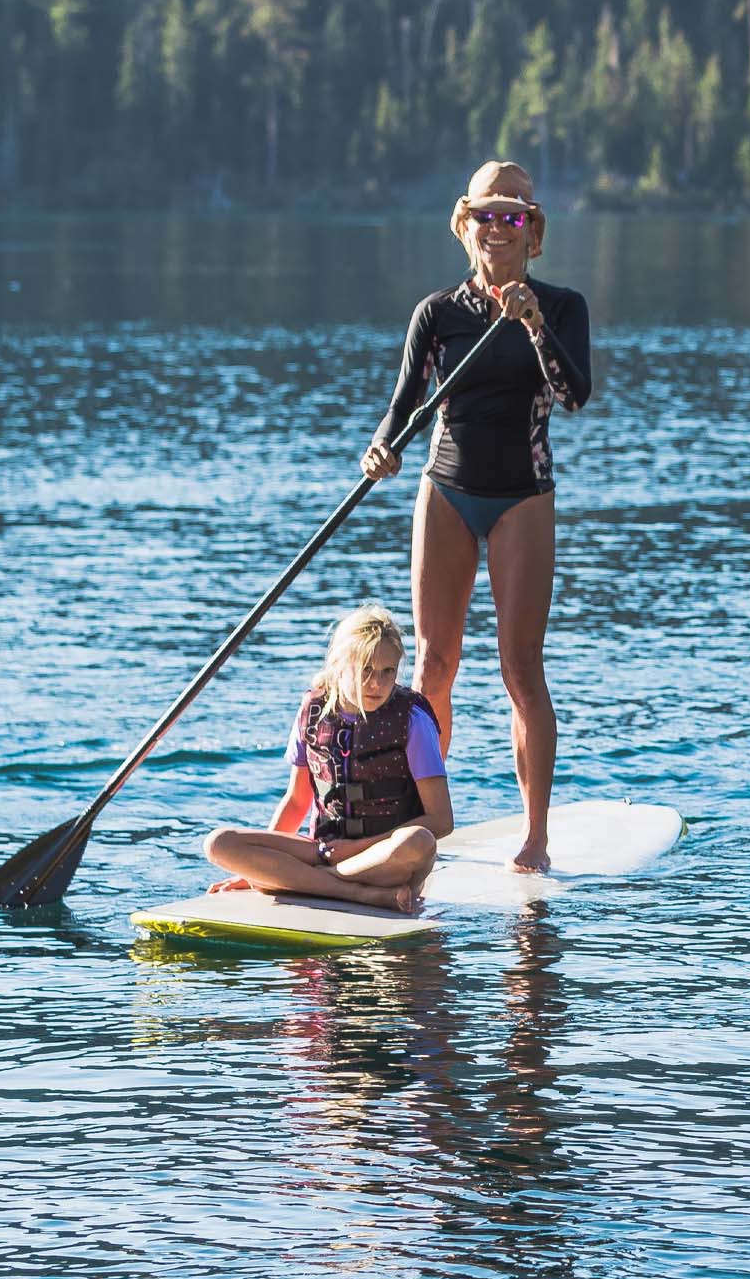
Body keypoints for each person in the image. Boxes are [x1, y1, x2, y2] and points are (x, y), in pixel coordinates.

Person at [362, 161, 593, 871]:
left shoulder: (561, 307)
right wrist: (381, 447)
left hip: (522, 495)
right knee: (434, 667)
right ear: (467, 227)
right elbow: (404, 406)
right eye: (486, 216)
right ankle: (423, 827)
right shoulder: (438, 313)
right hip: (447, 491)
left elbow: (574, 395)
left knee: (520, 667)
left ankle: (535, 836)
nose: (499, 227)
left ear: (534, 232)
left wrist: (529, 326)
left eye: (513, 217)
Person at [203, 605, 452, 912]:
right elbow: (296, 801)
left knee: (419, 841)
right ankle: (358, 894)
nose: (377, 683)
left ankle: (309, 882)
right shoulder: (313, 710)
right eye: (366, 670)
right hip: (323, 851)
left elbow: (441, 820)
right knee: (219, 843)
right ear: (340, 666)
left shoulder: (412, 719)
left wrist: (354, 849)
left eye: (388, 671)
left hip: (383, 856)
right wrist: (249, 869)